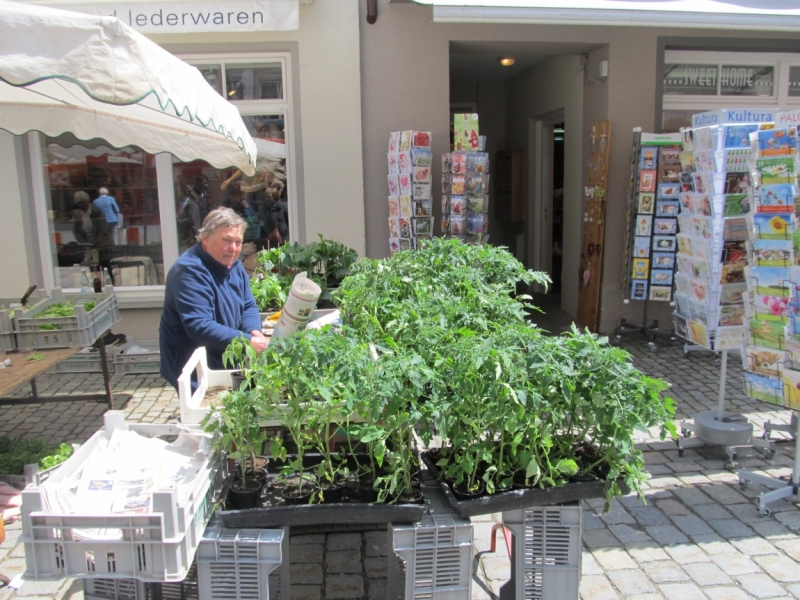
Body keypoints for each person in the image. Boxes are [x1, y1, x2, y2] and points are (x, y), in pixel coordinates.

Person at [159, 208, 269, 389]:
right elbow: (200, 326)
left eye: (238, 242)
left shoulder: (232, 264)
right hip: (193, 367)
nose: (233, 249)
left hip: (221, 358)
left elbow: (248, 304)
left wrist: (254, 330)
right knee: (203, 414)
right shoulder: (190, 271)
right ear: (206, 239)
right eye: (226, 240)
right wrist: (247, 342)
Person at [259, 178, 289, 247]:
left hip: (283, 237)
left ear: (275, 197)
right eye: (266, 197)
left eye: (269, 197)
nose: (267, 199)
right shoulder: (263, 209)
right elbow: (262, 223)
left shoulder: (283, 206)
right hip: (270, 238)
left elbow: (288, 220)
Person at [176, 184, 202, 253]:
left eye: (179, 191)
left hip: (191, 237)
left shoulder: (191, 204)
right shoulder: (182, 204)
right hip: (185, 237)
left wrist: (177, 223)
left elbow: (191, 219)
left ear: (182, 192)